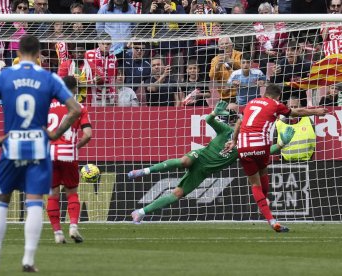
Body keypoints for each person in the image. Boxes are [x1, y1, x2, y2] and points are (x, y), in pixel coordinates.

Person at [0, 35, 81, 272]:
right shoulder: (49, 77)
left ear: (18, 52)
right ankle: (29, 261)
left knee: (1, 200)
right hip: (38, 146)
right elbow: (75, 109)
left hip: (11, 146)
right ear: (40, 53)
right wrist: (54, 134)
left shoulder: (4, 75)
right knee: (34, 201)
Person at [128, 101, 296, 224]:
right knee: (185, 161)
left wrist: (281, 144)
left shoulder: (247, 143)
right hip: (200, 156)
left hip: (203, 172)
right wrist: (214, 113)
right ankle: (144, 171)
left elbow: (264, 151)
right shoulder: (226, 130)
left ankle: (140, 212)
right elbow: (208, 120)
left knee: (177, 194)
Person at [224, 84, 328, 232]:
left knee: (254, 184)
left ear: (265, 93)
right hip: (261, 144)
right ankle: (265, 203)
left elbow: (240, 122)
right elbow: (295, 112)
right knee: (263, 173)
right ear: (278, 97)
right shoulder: (275, 104)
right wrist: (316, 111)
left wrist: (234, 141)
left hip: (243, 145)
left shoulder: (250, 103)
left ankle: (270, 218)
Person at [46, 76, 92, 244]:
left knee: (52, 193)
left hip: (48, 152)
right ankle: (73, 226)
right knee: (71, 192)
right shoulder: (79, 107)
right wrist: (76, 146)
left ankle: (58, 233)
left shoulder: (46, 105)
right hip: (68, 153)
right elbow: (88, 135)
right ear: (74, 89)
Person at [275, 96, 316, 161]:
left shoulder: (309, 121)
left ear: (300, 108)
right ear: (287, 108)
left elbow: (314, 143)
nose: (293, 110)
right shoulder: (279, 124)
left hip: (307, 161)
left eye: (295, 107)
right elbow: (275, 147)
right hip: (286, 163)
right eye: (291, 107)